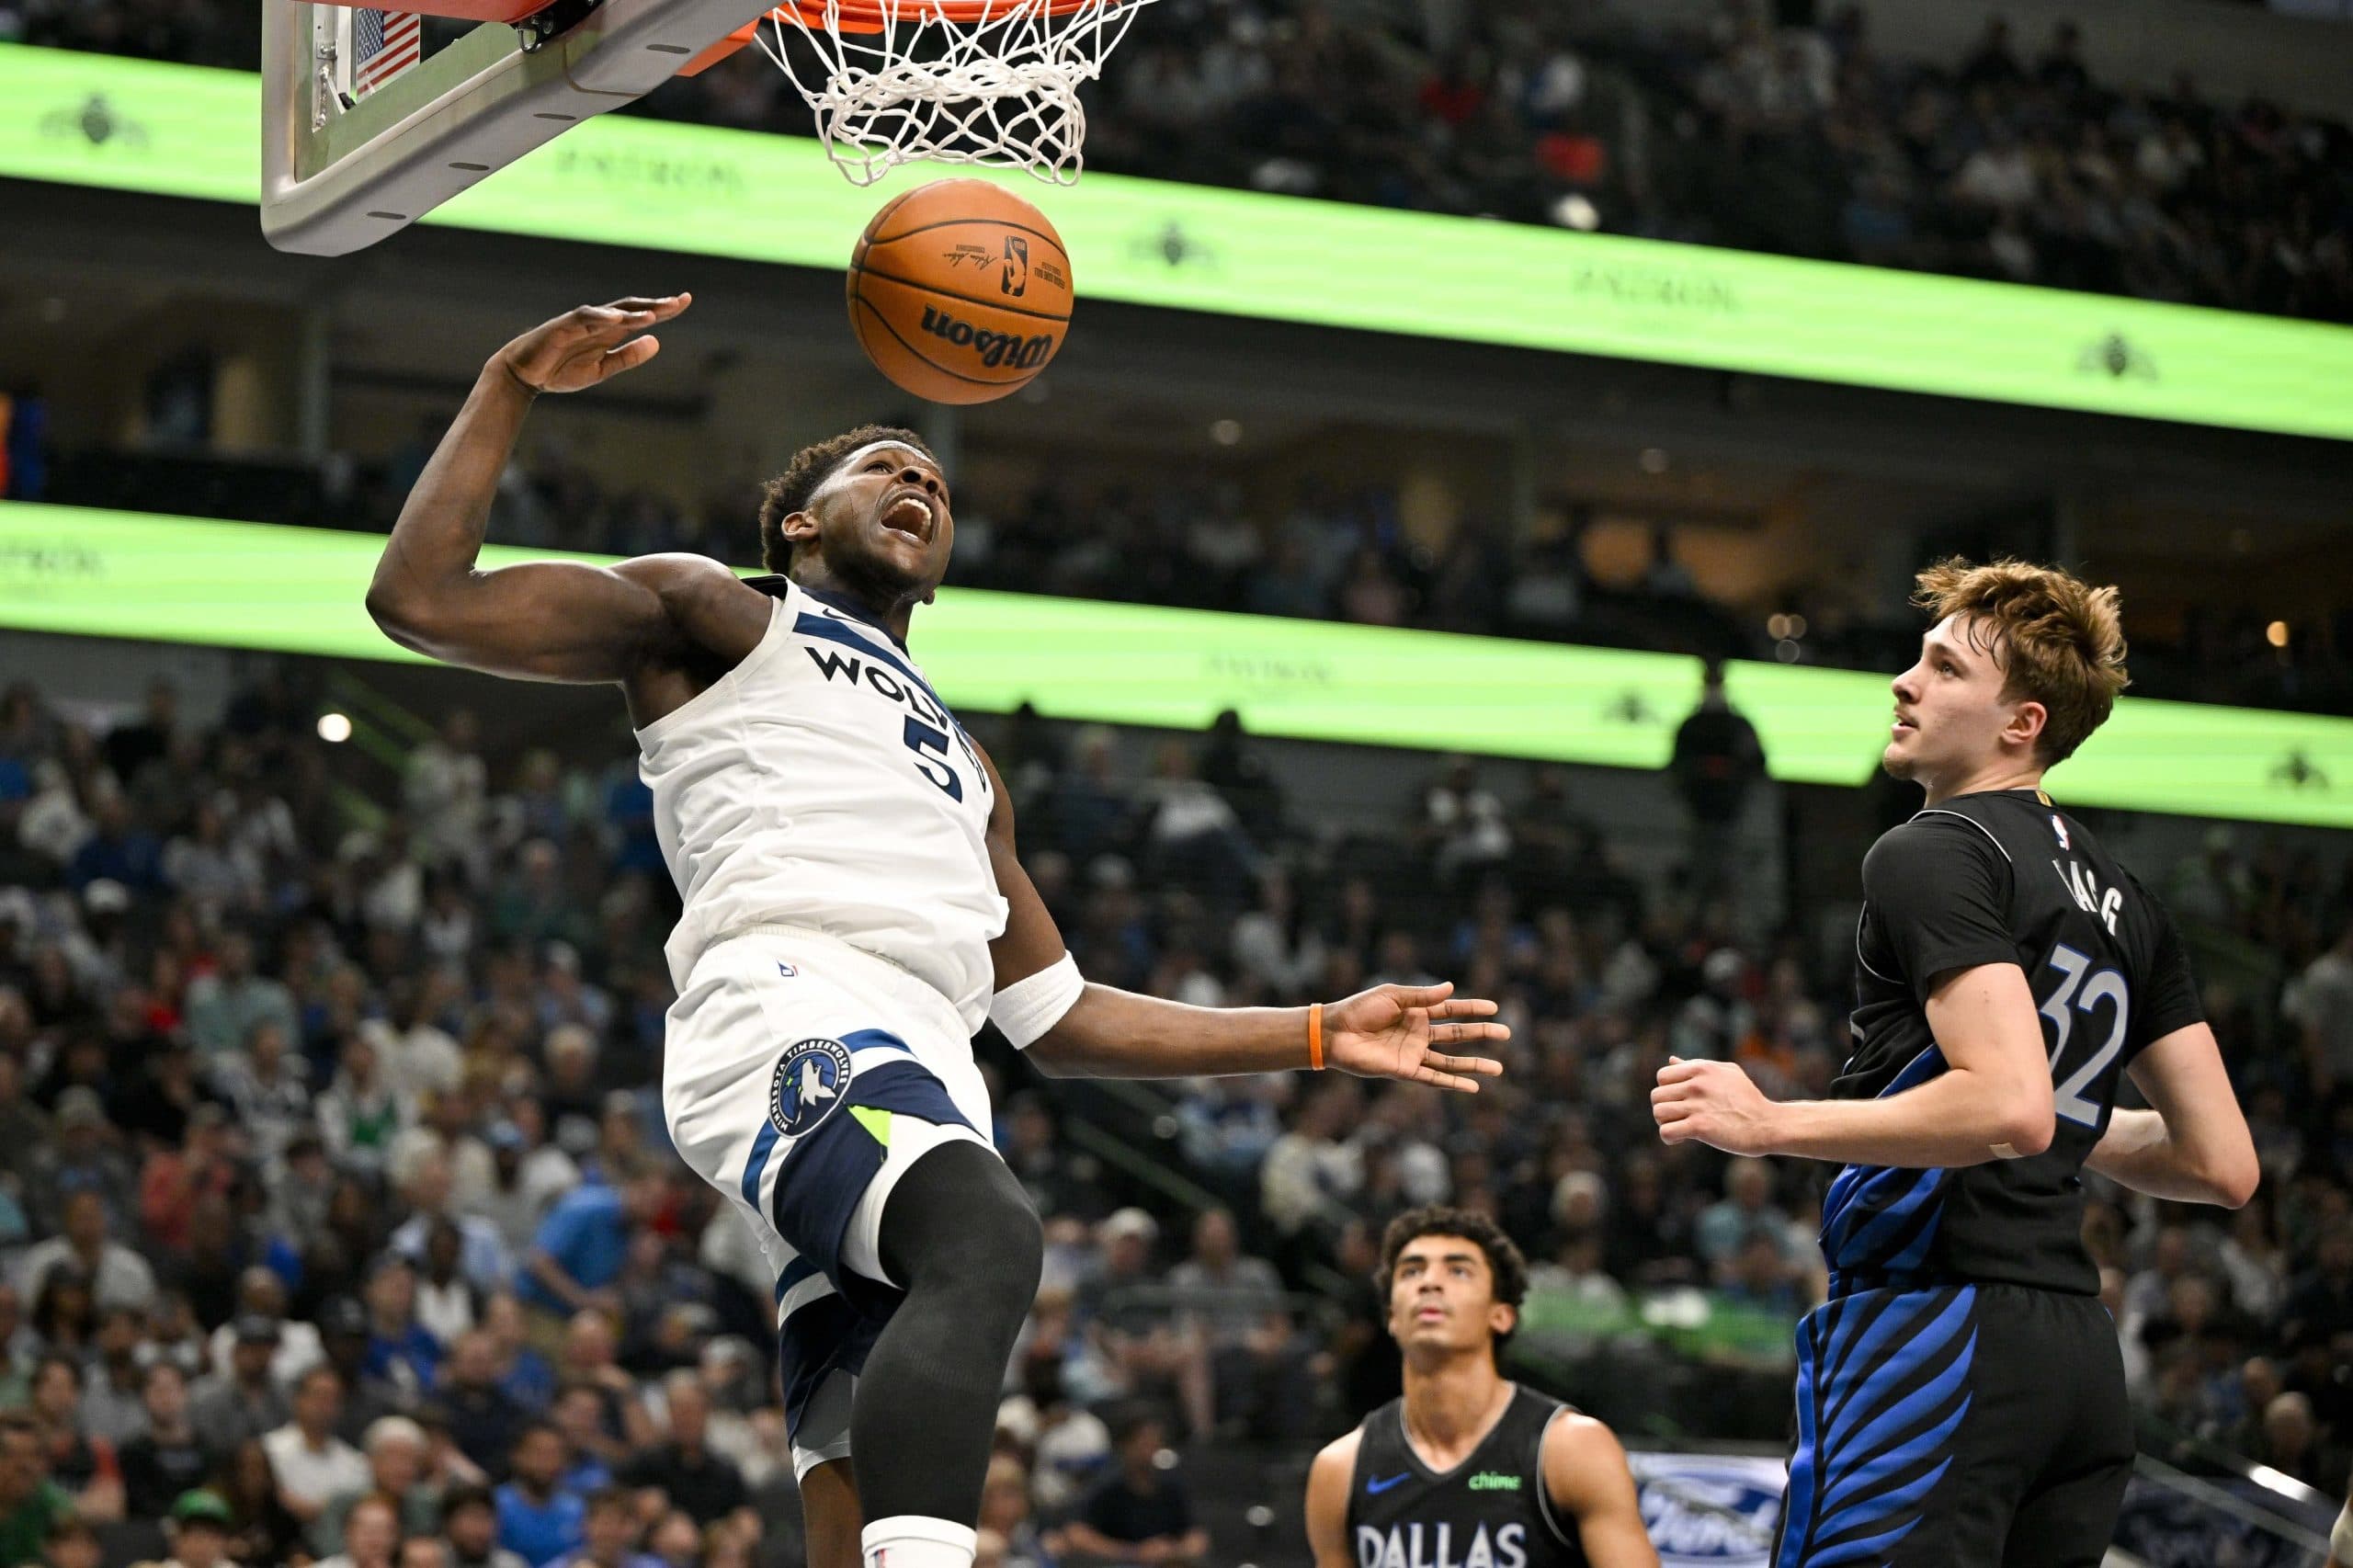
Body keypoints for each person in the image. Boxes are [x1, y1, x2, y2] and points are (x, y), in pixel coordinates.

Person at [366, 297, 1509, 1568]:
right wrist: (508, 382)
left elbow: (1059, 1019)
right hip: (789, 1002)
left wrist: (1312, 1031)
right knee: (988, 1236)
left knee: (850, 1464)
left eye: (934, 479)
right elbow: (423, 598)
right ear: (802, 523)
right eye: (882, 469)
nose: (919, 480)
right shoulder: (722, 615)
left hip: (926, 1060)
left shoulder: (968, 762)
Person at [1652, 559, 2261, 1567]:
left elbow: (2009, 1104)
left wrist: (1770, 1121)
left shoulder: (1933, 845)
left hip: (1932, 1330)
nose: (1904, 680)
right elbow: (2220, 1162)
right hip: (2074, 1357)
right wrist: (2070, 1120)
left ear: (2020, 722)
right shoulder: (2126, 896)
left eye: (1941, 668)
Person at [1304, 1208, 1657, 1568]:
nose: (1430, 1283)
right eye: (1412, 1271)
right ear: (1392, 1317)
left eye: (1458, 1271)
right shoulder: (1340, 1469)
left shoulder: (1571, 1449)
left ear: (1501, 1314)